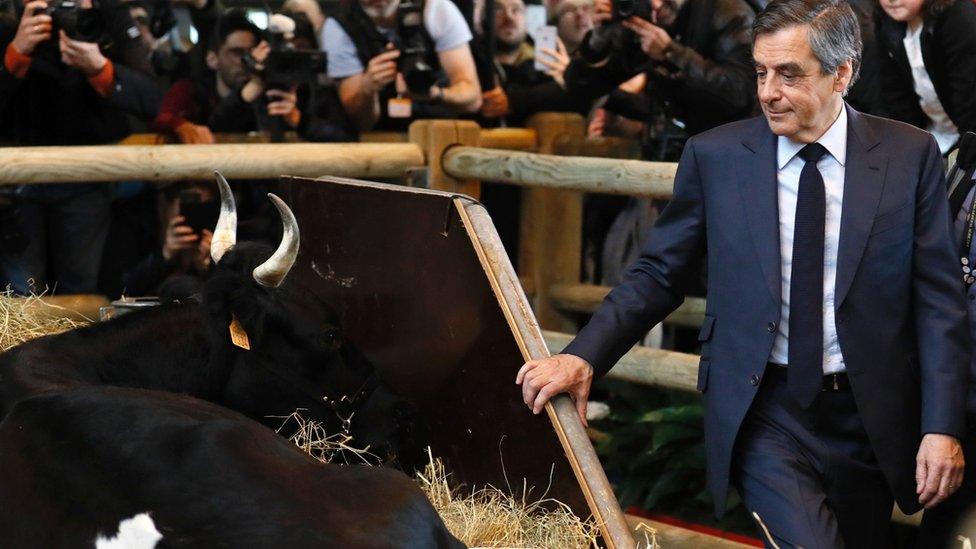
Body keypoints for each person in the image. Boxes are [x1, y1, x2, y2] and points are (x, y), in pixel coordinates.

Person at [516, 0, 969, 546]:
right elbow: (661, 272)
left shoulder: (908, 154)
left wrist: (941, 426)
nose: (768, 92)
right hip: (764, 408)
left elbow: (939, 301)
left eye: (789, 75)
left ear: (842, 73)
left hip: (868, 416)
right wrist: (584, 354)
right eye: (760, 72)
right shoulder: (718, 156)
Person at [0, 0, 161, 294]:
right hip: (14, 178)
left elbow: (151, 99)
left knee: (80, 292)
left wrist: (101, 69)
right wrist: (15, 54)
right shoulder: (9, 18)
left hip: (87, 176)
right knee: (20, 292)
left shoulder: (108, 15)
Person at [323, 0, 482, 132]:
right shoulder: (338, 25)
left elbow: (472, 99)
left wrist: (434, 94)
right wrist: (368, 89)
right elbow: (361, 124)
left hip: (439, 131)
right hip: (381, 140)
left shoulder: (436, 9)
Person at [876, 0, 976, 155]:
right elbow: (895, 97)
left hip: (965, 141)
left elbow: (969, 102)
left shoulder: (959, 18)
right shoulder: (885, 21)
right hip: (931, 139)